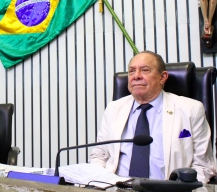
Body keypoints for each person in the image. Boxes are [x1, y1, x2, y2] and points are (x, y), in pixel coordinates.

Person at [89, 51, 216, 183]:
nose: (136, 76)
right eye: (131, 71)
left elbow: (203, 166)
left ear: (162, 77)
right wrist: (101, 183)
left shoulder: (191, 109)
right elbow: (99, 155)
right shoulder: (113, 109)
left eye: (144, 70)